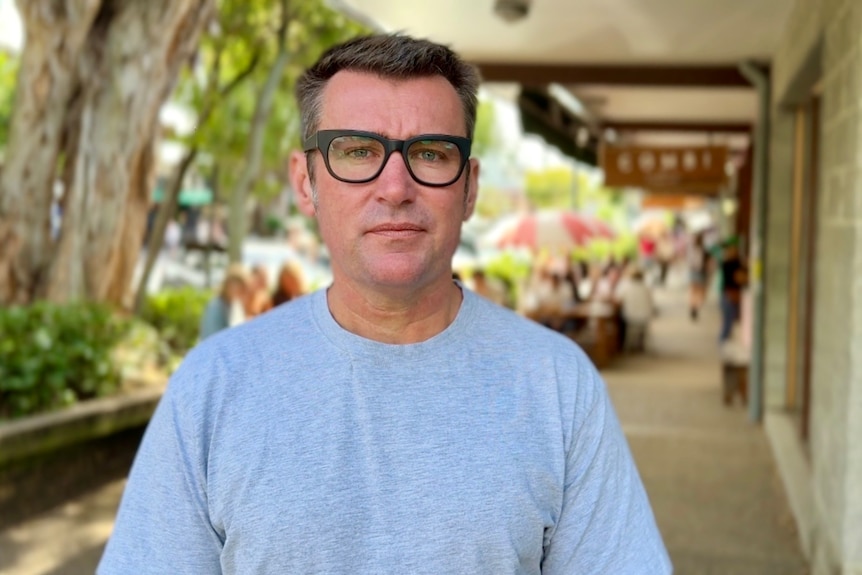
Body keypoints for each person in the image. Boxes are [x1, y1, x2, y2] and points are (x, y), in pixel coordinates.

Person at [100, 34, 671, 574]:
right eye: (356, 151)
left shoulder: (559, 384)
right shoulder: (213, 386)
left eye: (429, 153)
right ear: (306, 183)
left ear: (469, 187)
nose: (395, 187)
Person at [198, 264, 249, 341]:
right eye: (241, 288)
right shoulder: (215, 307)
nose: (243, 292)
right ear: (229, 285)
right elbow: (212, 339)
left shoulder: (228, 304)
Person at [719, 238, 747, 342]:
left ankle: (724, 343)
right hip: (729, 295)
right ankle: (723, 343)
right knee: (727, 322)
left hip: (731, 295)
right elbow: (739, 278)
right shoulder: (729, 263)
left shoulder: (736, 262)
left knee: (730, 323)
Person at [688, 232, 710, 321]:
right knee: (701, 292)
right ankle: (696, 306)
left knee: (693, 292)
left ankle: (693, 306)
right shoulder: (704, 250)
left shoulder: (692, 250)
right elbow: (706, 264)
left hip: (693, 272)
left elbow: (689, 262)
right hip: (700, 272)